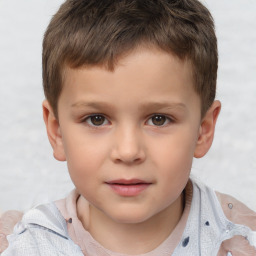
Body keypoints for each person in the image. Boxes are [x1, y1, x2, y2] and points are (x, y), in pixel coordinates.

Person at [1, 0, 256, 255]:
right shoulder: (24, 245)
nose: (128, 151)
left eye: (158, 119)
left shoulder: (240, 240)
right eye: (97, 119)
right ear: (57, 132)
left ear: (203, 129)